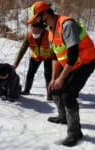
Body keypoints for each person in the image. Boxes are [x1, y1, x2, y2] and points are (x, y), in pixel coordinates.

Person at [27, 1, 95, 147]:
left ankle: (75, 132)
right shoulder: (51, 30)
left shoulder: (66, 25)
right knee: (55, 88)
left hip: (84, 63)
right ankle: (63, 117)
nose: (36, 23)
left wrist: (62, 77)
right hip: (71, 64)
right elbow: (56, 56)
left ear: (44, 13)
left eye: (36, 19)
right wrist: (53, 78)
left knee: (68, 94)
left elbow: (73, 52)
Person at [13, 22, 53, 100]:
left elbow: (56, 48)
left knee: (48, 75)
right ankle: (27, 90)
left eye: (36, 32)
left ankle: (50, 94)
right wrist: (16, 63)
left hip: (48, 57)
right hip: (35, 56)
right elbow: (22, 49)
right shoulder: (29, 36)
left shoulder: (49, 35)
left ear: (42, 30)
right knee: (30, 73)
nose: (34, 33)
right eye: (33, 31)